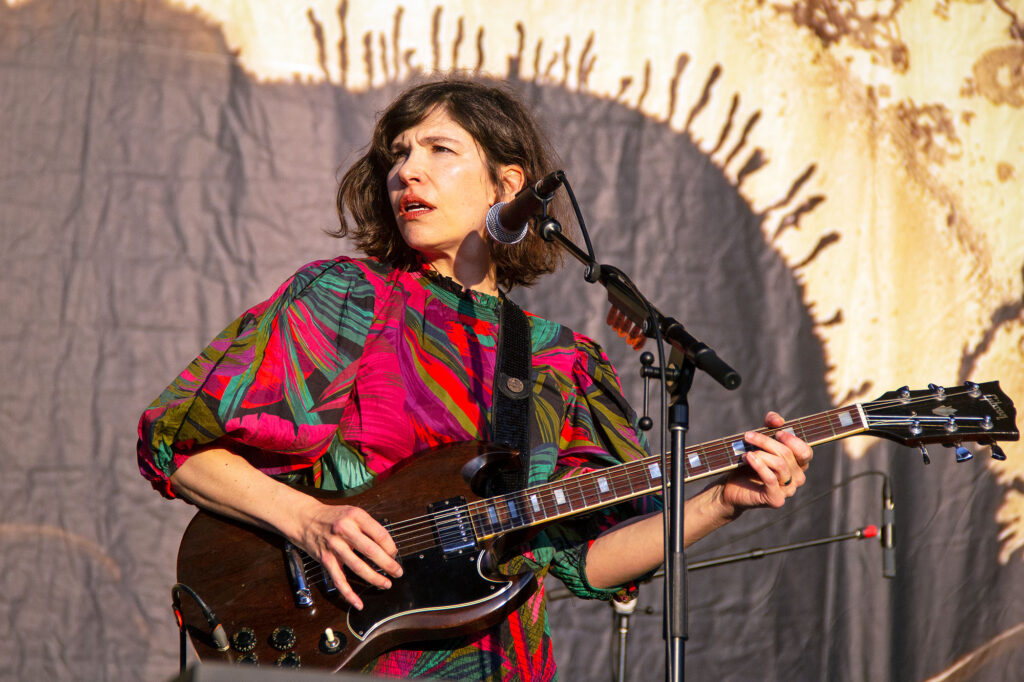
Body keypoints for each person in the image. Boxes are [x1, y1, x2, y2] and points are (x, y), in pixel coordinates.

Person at [138, 77, 813, 680]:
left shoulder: (559, 362)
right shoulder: (347, 299)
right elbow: (182, 449)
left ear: (508, 186)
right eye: (398, 154)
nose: (407, 171)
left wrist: (723, 501)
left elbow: (582, 563)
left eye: (438, 150)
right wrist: (311, 520)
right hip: (345, 656)